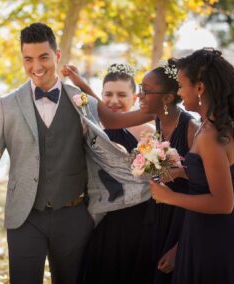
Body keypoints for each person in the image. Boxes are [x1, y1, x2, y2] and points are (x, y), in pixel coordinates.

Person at [0, 22, 122, 284]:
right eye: (28, 59)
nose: (36, 66)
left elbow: (102, 154)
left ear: (57, 56)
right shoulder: (7, 105)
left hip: (74, 215)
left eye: (43, 57)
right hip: (24, 218)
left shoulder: (80, 101)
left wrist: (94, 213)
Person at [64, 59, 198, 283]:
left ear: (166, 97)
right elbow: (110, 118)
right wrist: (83, 86)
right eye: (141, 91)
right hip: (154, 213)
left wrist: (180, 247)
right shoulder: (155, 116)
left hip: (179, 215)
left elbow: (202, 185)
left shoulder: (191, 128)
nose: (141, 97)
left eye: (146, 91)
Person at [150, 48, 234, 283]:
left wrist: (168, 198)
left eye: (181, 85)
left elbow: (223, 203)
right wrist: (182, 172)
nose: (178, 92)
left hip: (216, 235)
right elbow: (217, 174)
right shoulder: (216, 124)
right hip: (207, 229)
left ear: (199, 88)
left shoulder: (210, 134)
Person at [64, 63, 155, 283]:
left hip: (139, 215)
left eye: (122, 94)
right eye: (108, 94)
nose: (114, 100)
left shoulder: (147, 130)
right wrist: (80, 85)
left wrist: (83, 85)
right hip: (104, 216)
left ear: (134, 98)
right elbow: (103, 119)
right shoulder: (94, 128)